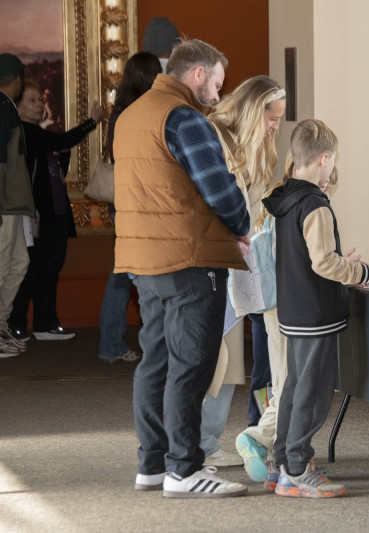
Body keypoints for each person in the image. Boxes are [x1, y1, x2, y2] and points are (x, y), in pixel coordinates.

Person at [114, 39, 250, 498]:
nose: (217, 91)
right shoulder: (184, 117)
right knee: (191, 365)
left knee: (156, 362)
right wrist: (242, 223)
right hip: (192, 260)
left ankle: (152, 465)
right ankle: (185, 469)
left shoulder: (131, 116)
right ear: (196, 75)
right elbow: (218, 187)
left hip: (144, 262)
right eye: (216, 82)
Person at [263, 118, 369, 498]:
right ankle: (298, 469)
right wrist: (368, 271)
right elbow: (323, 264)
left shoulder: (284, 199)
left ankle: (282, 463)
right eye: (332, 162)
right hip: (317, 315)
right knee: (313, 394)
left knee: (293, 387)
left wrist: (338, 260)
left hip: (294, 310)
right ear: (323, 159)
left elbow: (306, 258)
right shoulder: (314, 203)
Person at [200, 75, 286, 468]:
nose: (275, 127)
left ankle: (206, 441)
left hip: (243, 261)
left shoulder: (261, 147)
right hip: (214, 258)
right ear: (254, 109)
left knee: (230, 359)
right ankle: (193, 444)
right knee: (208, 355)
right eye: (272, 118)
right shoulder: (215, 134)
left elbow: (255, 207)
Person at [6, 80, 102, 341]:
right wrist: (91, 122)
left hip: (54, 213)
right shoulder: (25, 132)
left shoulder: (38, 135)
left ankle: (45, 323)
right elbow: (62, 140)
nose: (39, 105)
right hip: (37, 215)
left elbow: (58, 163)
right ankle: (17, 323)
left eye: (40, 100)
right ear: (18, 106)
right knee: (30, 270)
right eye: (32, 101)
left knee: (49, 269)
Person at [97, 52, 162, 363]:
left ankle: (111, 343)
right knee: (131, 275)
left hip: (121, 201)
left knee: (123, 273)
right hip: (140, 201)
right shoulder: (144, 112)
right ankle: (116, 345)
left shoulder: (119, 110)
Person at [0, 53, 34, 358]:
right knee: (1, 266)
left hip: (13, 203)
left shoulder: (7, 107)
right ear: (18, 80)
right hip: (4, 203)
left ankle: (1, 324)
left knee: (18, 263)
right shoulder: (1, 108)